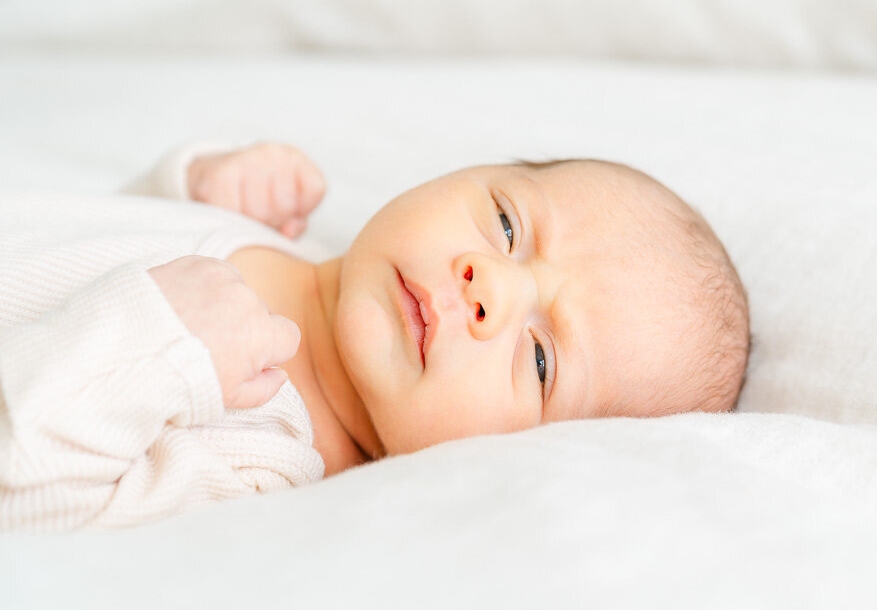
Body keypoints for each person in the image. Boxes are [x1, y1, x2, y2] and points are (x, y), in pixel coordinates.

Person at [0, 142, 750, 531]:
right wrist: (195, 179)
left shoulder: (264, 462)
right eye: (507, 225)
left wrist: (160, 345)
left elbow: (27, 499)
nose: (487, 283)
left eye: (542, 357)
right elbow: (73, 244)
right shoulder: (276, 240)